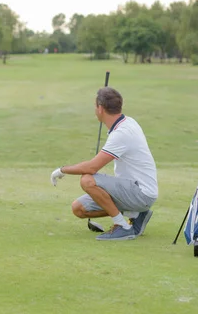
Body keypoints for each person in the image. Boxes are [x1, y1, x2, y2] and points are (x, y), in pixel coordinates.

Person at [50, 87, 158, 241]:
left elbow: (91, 168)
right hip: (134, 191)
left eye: (95, 106)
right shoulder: (127, 123)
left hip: (141, 193)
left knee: (88, 180)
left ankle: (123, 227)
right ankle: (136, 214)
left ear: (100, 109)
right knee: (79, 209)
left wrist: (62, 170)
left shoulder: (122, 133)